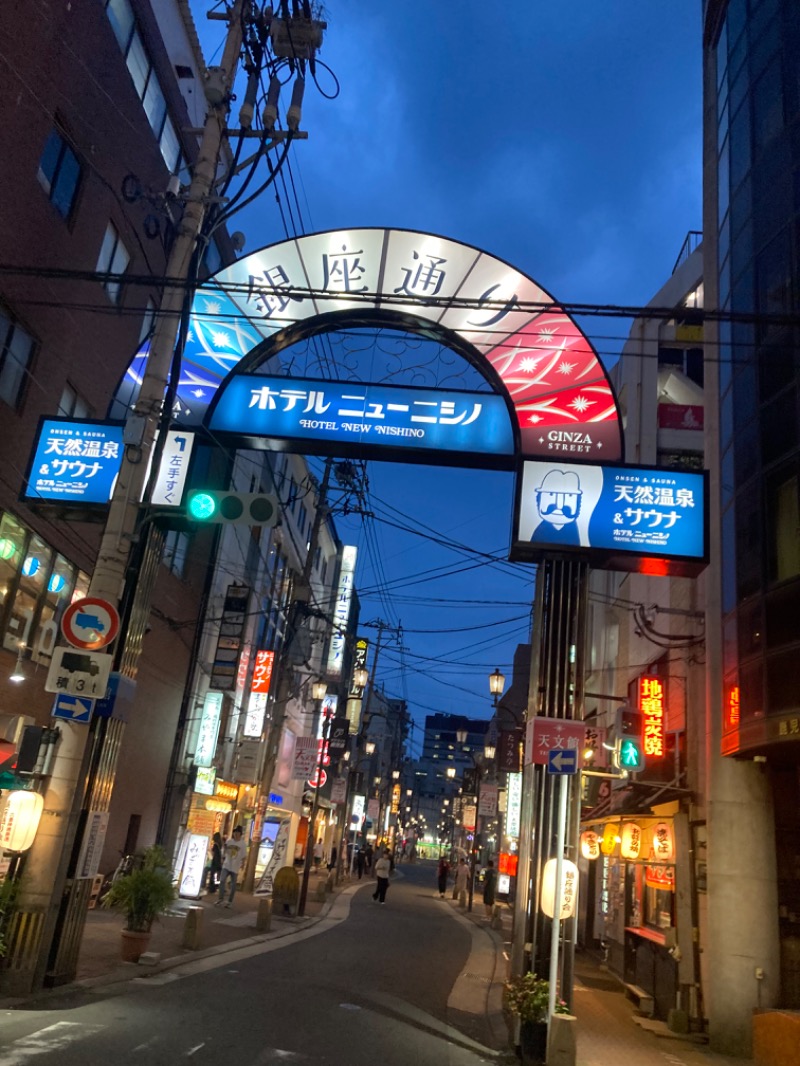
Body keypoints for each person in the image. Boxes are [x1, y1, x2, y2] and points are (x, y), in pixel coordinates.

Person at [216, 826, 246, 908]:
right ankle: (220, 899)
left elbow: (244, 856)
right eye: (235, 832)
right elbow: (224, 850)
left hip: (235, 867)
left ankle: (230, 901)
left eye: (238, 832)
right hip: (227, 864)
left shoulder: (242, 844)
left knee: (233, 885)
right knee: (222, 881)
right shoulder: (229, 841)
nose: (236, 834)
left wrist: (243, 864)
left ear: (240, 834)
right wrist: (223, 857)